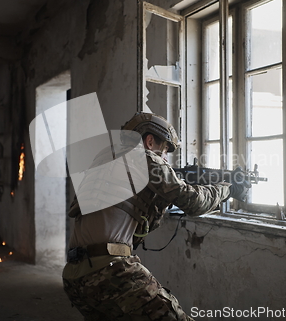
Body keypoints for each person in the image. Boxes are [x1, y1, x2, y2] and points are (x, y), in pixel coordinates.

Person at [62, 112, 232, 321]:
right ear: (149, 141)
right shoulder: (143, 157)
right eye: (165, 151)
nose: (165, 158)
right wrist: (225, 189)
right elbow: (194, 202)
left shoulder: (102, 160)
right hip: (110, 271)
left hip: (73, 276)